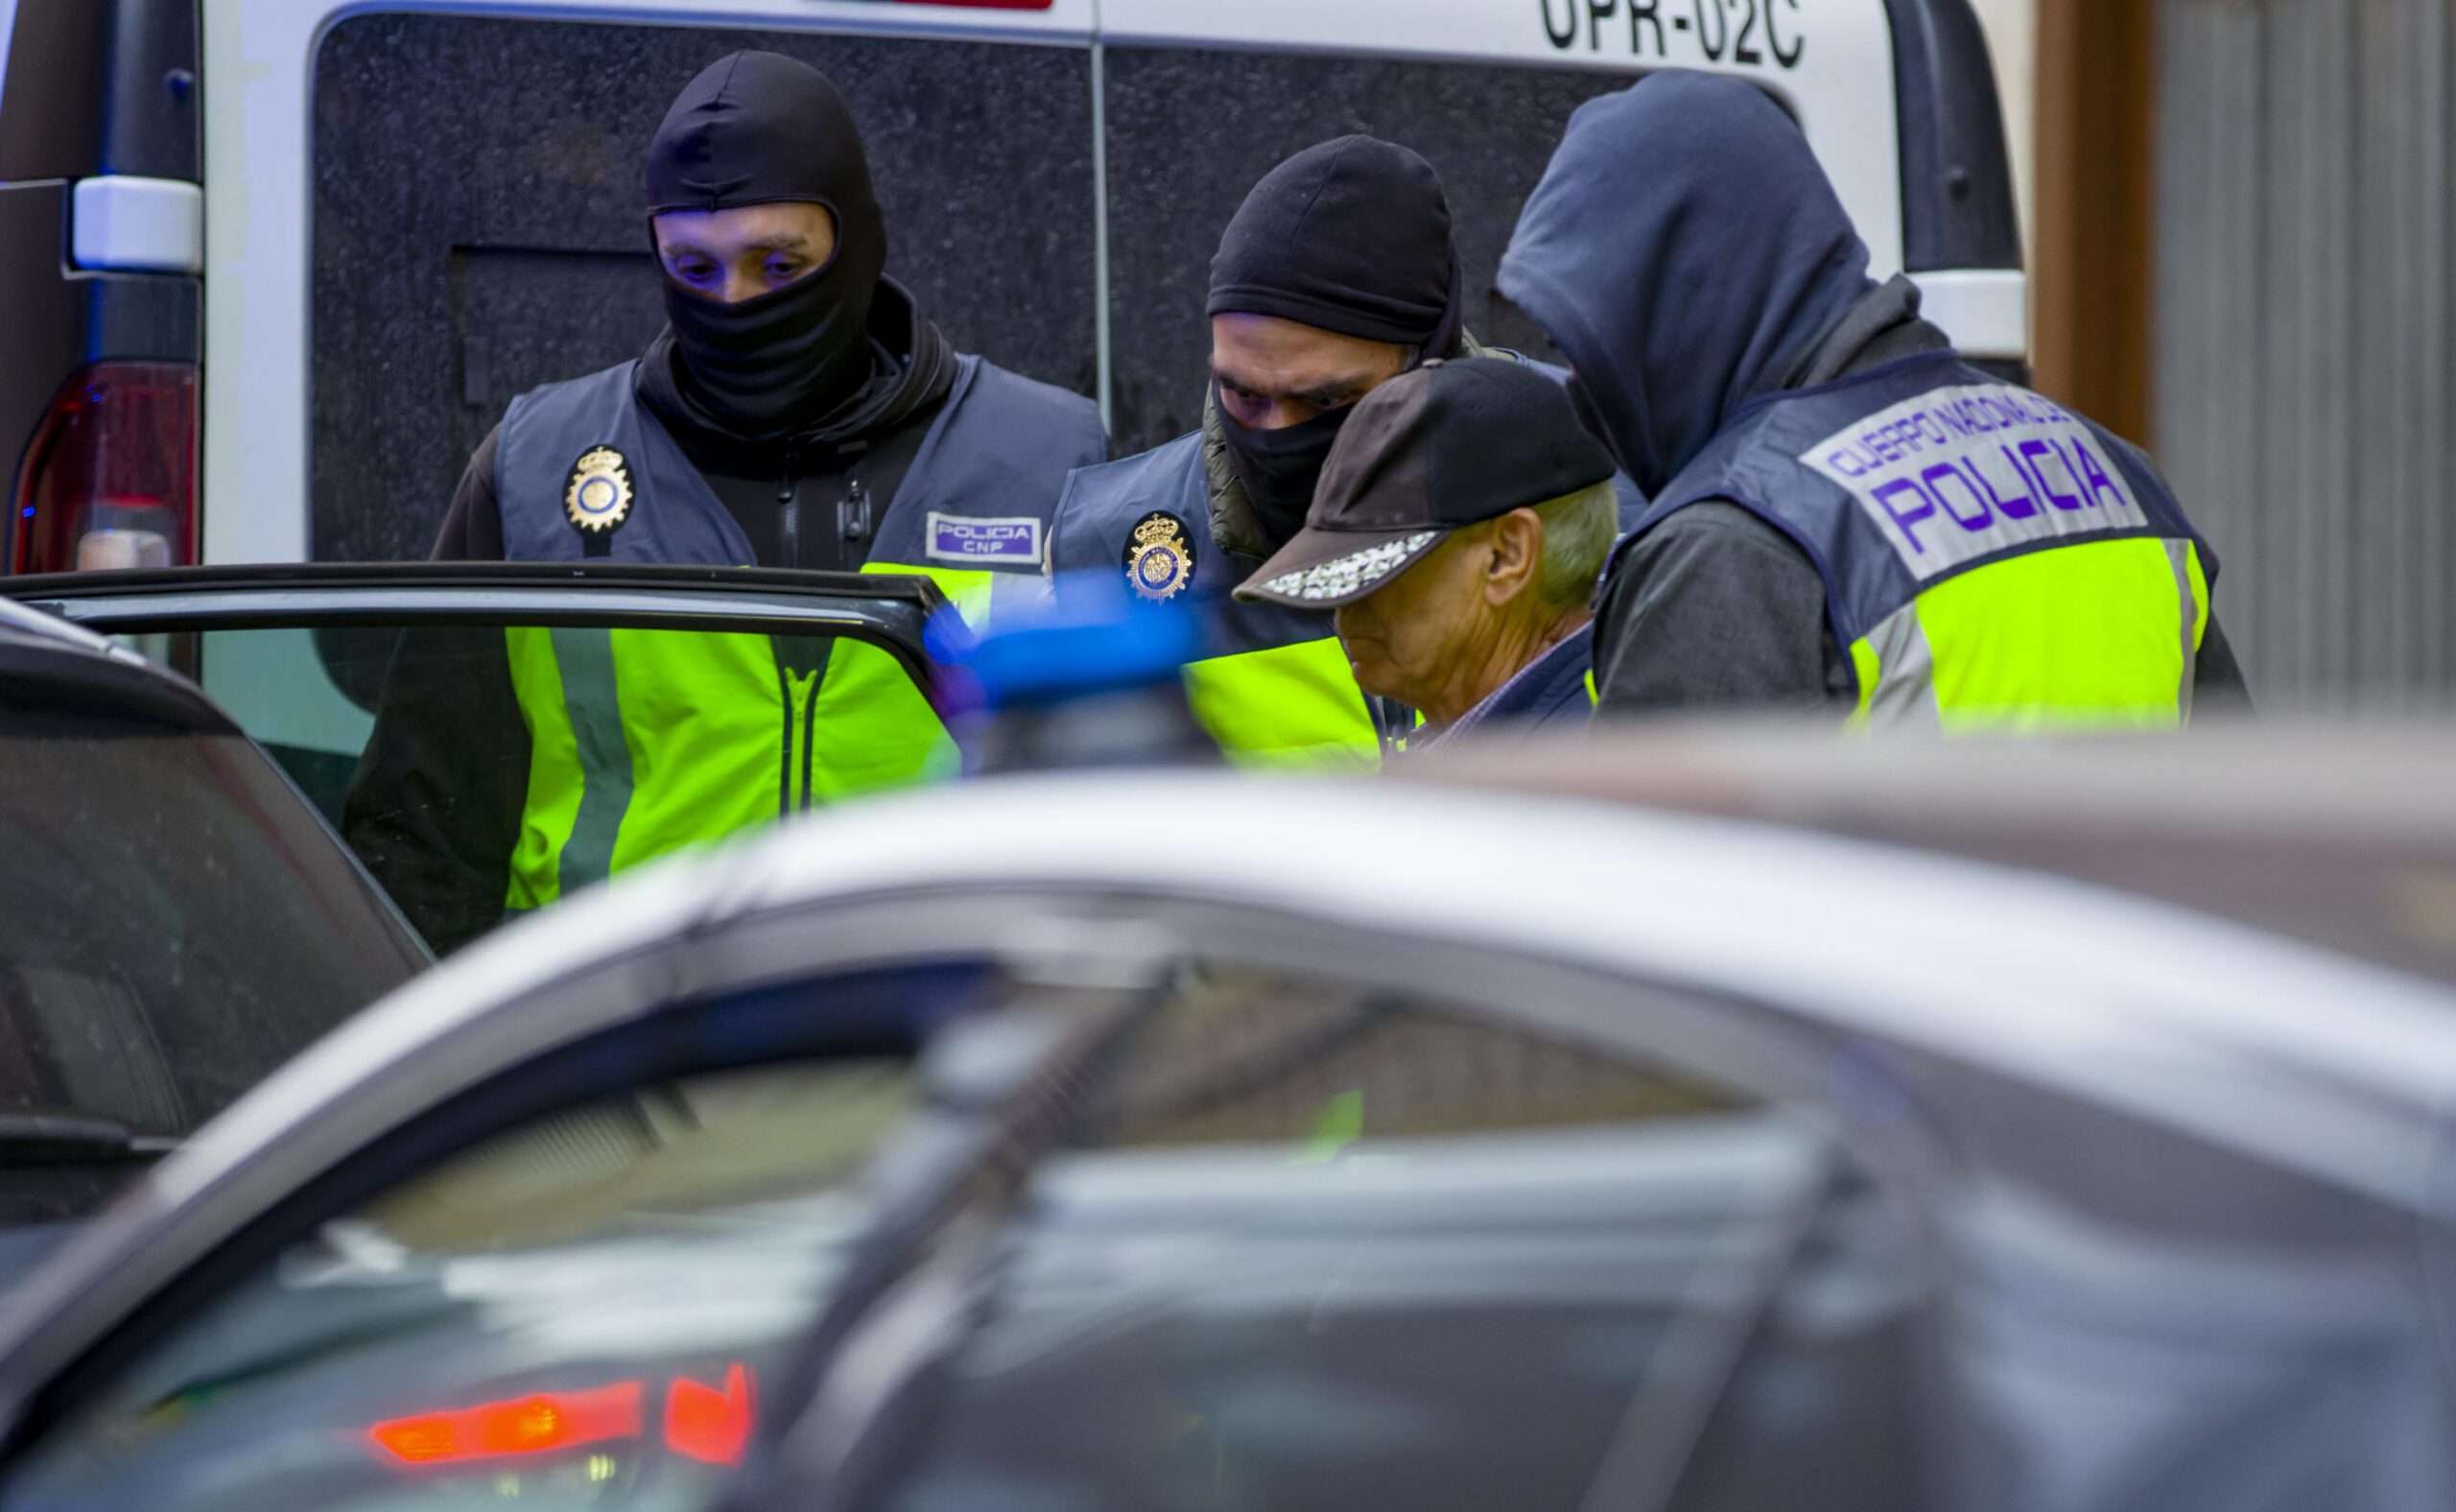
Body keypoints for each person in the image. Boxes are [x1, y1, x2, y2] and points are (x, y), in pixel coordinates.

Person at [343, 51, 1102, 950]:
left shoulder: (1051, 461)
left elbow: (1126, 802)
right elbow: (420, 833)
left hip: (940, 1032)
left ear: (856, 242)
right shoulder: (536, 471)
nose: (735, 303)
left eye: (779, 267)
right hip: (615, 1042)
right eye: (694, 272)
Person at [1498, 72, 2251, 729]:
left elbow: (1657, 880)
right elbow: (2237, 811)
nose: (1582, 389)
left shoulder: (1735, 547)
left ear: (1674, 306)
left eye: (1593, 344)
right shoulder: (2113, 476)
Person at [1047, 134, 1633, 768]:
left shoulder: (1596, 480)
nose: (1276, 435)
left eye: (1326, 403)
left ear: (1424, 361)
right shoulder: (1106, 548)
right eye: (1241, 393)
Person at [1234, 358, 1617, 750]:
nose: (1343, 608)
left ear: (1507, 556)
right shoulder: (1559, 750)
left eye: (1381, 570)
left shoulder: (1579, 775)